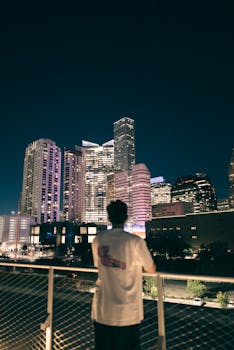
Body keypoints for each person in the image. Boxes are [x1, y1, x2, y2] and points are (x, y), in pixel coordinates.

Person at [91, 200, 156, 350]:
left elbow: (99, 266)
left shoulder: (98, 240)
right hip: (127, 312)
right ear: (126, 218)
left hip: (102, 309)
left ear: (109, 218)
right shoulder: (135, 241)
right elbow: (151, 269)